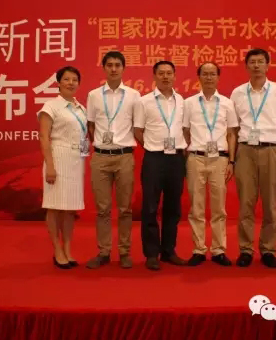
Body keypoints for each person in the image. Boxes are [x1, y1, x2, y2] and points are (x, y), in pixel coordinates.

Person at [230, 48, 276, 268]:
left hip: (271, 150)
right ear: (246, 66)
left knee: (271, 204)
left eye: (260, 62)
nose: (256, 65)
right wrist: (232, 157)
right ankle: (245, 249)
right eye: (252, 62)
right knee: (245, 203)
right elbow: (233, 128)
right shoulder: (238, 93)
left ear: (268, 65)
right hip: (245, 151)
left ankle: (268, 249)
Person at [85, 51, 141, 269]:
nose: (114, 68)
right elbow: (91, 126)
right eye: (109, 65)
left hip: (124, 156)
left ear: (123, 68)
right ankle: (104, 251)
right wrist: (101, 144)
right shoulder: (93, 95)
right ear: (104, 68)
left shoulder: (134, 96)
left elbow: (137, 126)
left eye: (118, 65)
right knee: (102, 209)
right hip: (100, 157)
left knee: (125, 209)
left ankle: (125, 252)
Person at [183, 62, 238, 266]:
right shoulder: (189, 103)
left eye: (212, 74)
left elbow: (232, 134)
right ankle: (198, 249)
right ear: (199, 77)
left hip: (220, 159)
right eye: (205, 74)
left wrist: (231, 160)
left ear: (218, 77)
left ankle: (218, 250)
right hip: (196, 157)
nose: (208, 77)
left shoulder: (227, 103)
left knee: (219, 208)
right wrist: (189, 154)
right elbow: (185, 131)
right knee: (196, 208)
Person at [134, 60, 187, 270]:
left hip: (176, 159)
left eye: (169, 73)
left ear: (175, 76)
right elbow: (138, 130)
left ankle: (168, 251)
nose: (165, 77)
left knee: (173, 207)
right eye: (161, 73)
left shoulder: (182, 101)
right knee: (150, 206)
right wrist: (150, 145)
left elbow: (186, 129)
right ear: (154, 76)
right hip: (154, 158)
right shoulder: (144, 101)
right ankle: (151, 253)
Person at [38, 66, 88, 269]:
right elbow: (44, 137)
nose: (70, 83)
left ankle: (67, 249)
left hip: (76, 160)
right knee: (54, 206)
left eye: (74, 79)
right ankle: (57, 250)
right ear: (58, 83)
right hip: (58, 157)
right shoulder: (51, 106)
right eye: (66, 79)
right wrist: (50, 165)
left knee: (69, 209)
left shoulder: (81, 108)